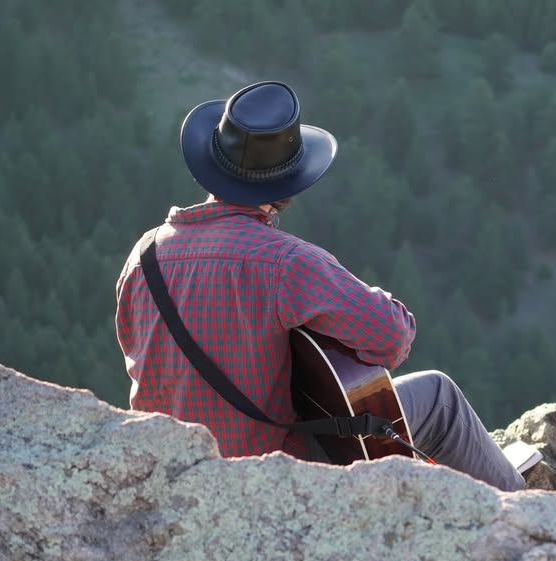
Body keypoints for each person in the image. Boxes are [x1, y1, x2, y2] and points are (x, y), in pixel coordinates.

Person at [115, 80, 524, 492]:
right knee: (439, 398)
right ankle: (529, 515)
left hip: (169, 479)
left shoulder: (144, 256)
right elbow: (394, 338)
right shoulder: (287, 262)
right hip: (269, 478)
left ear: (213, 162)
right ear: (288, 180)